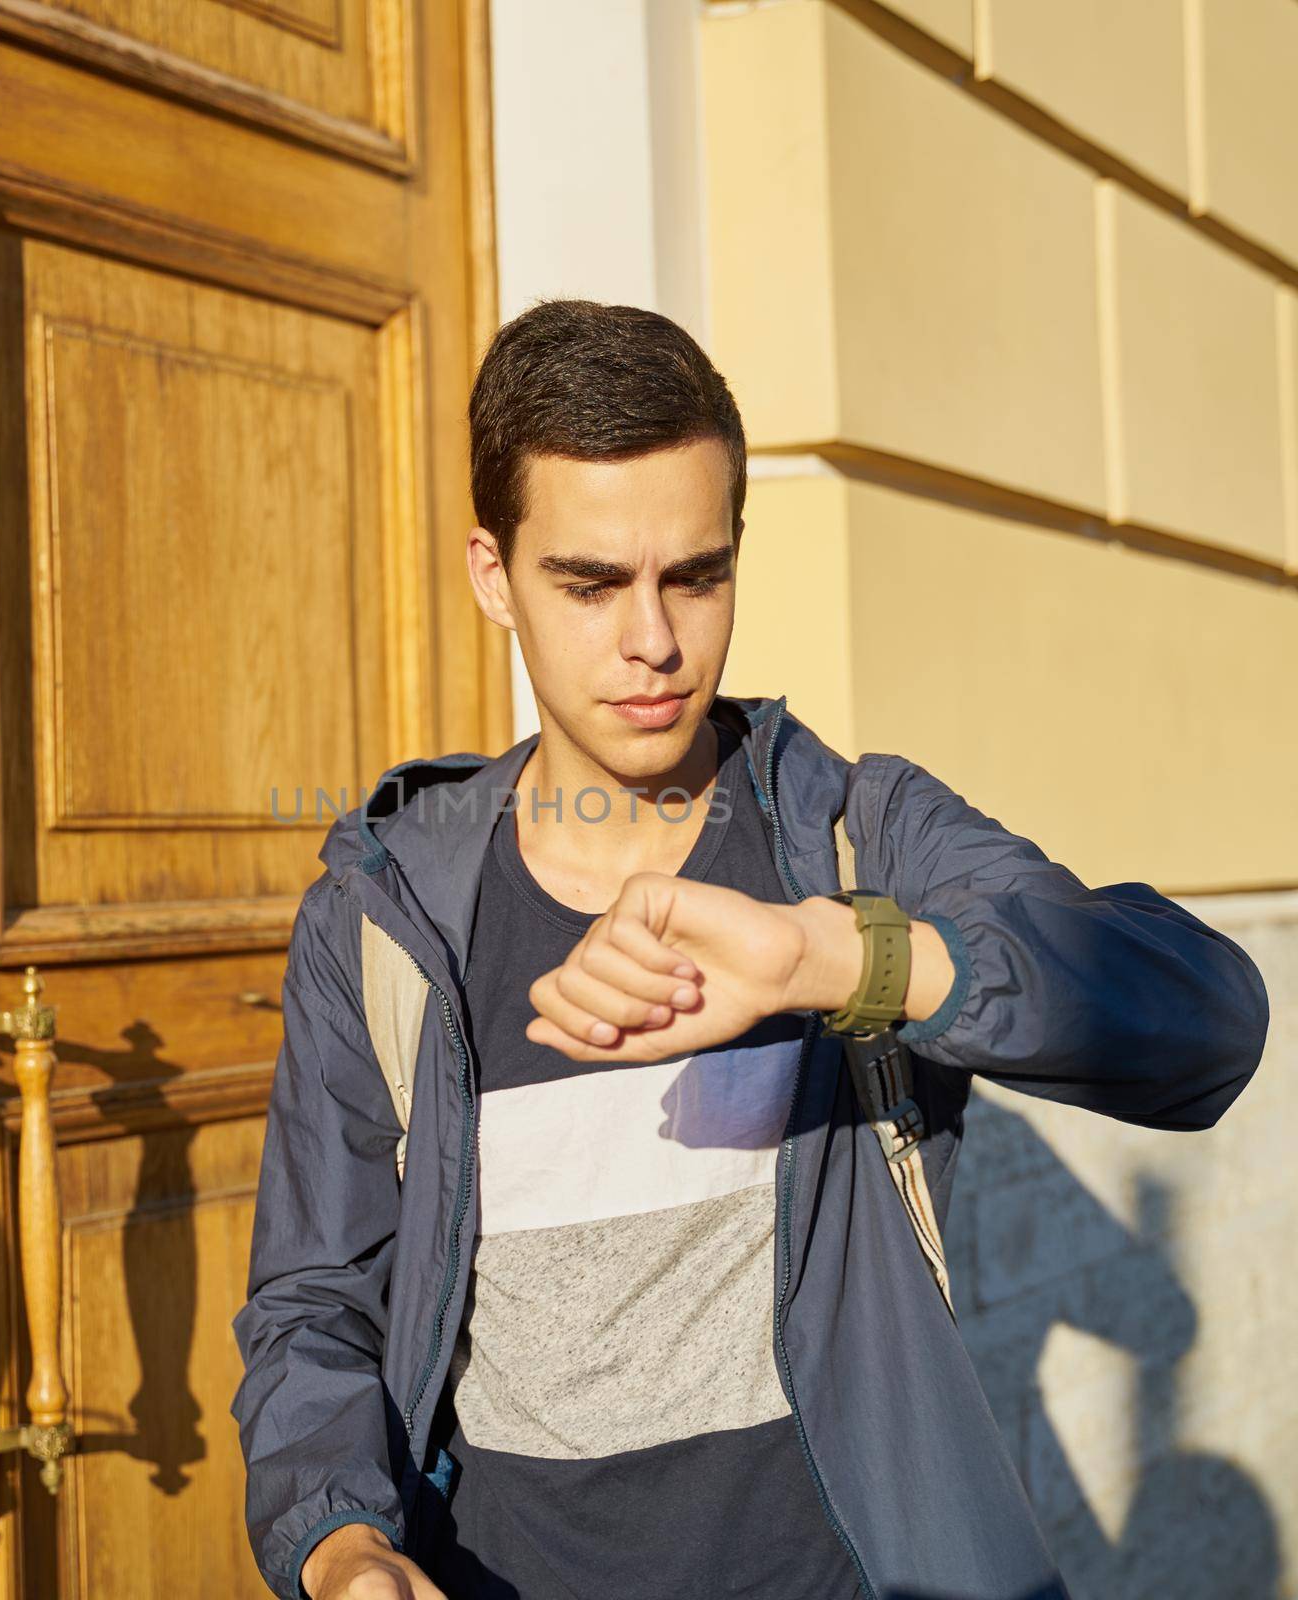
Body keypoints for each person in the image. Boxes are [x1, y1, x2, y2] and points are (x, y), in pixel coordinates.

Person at [231, 299, 1269, 1600]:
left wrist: (832, 963)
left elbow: (1206, 1017)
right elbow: (316, 1303)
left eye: (696, 574)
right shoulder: (387, 916)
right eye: (592, 583)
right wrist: (341, 1550)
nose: (653, 641)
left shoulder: (848, 837)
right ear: (491, 573)